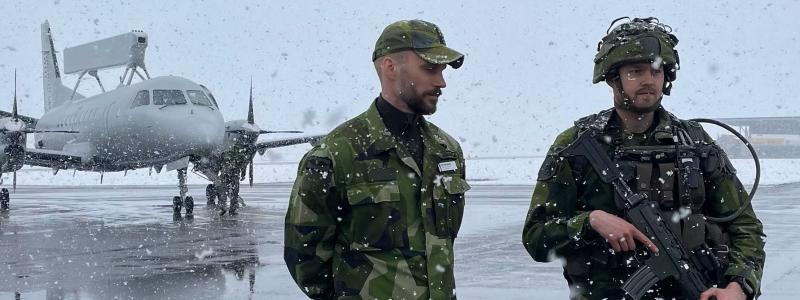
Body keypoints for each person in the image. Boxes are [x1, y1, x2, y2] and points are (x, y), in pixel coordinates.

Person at [521, 17, 765, 300]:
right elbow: (536, 237)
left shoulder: (694, 144)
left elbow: (745, 227)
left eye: (656, 70)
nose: (648, 80)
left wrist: (739, 285)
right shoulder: (577, 146)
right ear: (613, 78)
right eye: (636, 71)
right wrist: (590, 222)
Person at [284, 19, 470, 299]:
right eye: (430, 69)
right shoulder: (337, 153)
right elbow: (305, 258)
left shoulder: (447, 151)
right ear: (390, 67)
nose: (441, 82)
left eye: (442, 71)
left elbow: (441, 245)